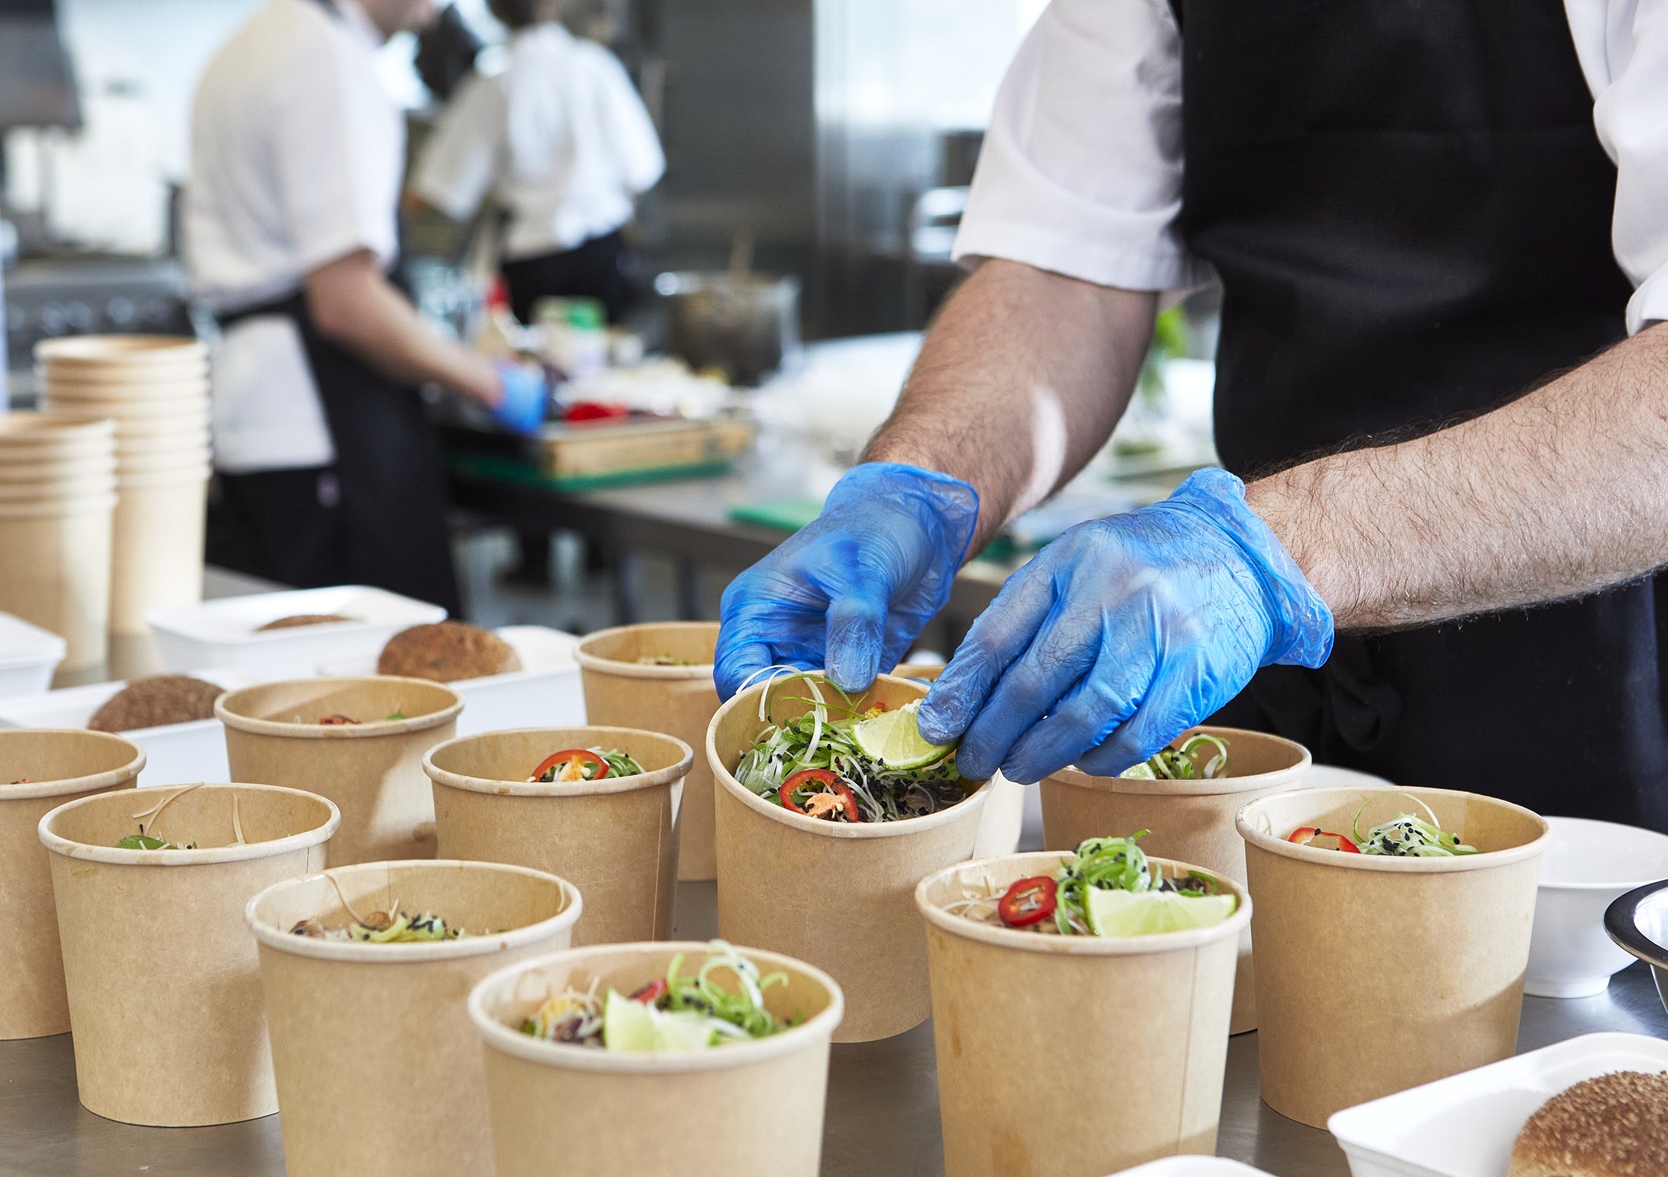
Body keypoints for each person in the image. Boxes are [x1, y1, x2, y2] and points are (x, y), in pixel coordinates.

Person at [716, 0, 1668, 826]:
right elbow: (1068, 272)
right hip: (1277, 683)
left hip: (1593, 661)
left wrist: (1273, 552)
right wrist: (922, 479)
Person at [186, 0, 547, 614]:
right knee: (378, 681)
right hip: (321, 421)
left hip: (256, 415)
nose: (436, 14)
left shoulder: (249, 43)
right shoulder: (327, 58)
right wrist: (487, 381)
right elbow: (346, 301)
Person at [410, 0, 664, 324]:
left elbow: (443, 187)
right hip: (603, 252)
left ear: (494, 11)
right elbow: (643, 168)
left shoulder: (494, 84)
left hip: (531, 261)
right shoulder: (596, 66)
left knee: (536, 365)